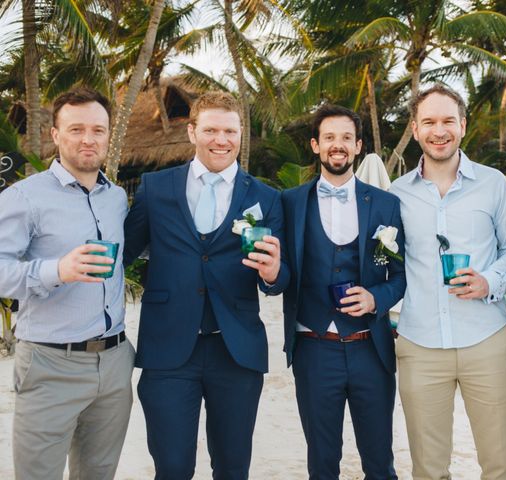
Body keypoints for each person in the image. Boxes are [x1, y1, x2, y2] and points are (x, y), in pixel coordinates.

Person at [124, 90, 290, 480]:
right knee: (173, 467)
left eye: (230, 131)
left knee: (233, 468)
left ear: (241, 134)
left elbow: (279, 280)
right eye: (211, 129)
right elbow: (124, 254)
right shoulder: (156, 187)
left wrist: (272, 272)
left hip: (236, 351)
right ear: (192, 131)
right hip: (167, 350)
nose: (221, 140)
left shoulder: (266, 197)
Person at [0, 87, 134, 479]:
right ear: (55, 136)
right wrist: (56, 270)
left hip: (114, 364)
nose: (88, 139)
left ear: (109, 135)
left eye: (98, 129)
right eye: (76, 129)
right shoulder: (24, 197)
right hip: (48, 364)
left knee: (98, 474)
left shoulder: (117, 198)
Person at [390, 84, 506, 480]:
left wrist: (489, 281)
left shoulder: (493, 183)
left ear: (463, 126)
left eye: (448, 120)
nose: (439, 130)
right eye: (429, 121)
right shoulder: (394, 195)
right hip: (420, 346)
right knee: (428, 470)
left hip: (487, 339)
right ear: (415, 129)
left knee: (500, 466)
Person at [282, 104, 406, 480]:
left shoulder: (386, 204)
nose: (338, 145)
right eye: (330, 138)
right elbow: (280, 272)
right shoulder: (289, 203)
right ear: (315, 145)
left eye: (346, 139)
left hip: (372, 348)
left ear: (358, 146)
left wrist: (376, 299)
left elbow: (400, 275)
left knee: (380, 462)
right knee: (322, 462)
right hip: (314, 347)